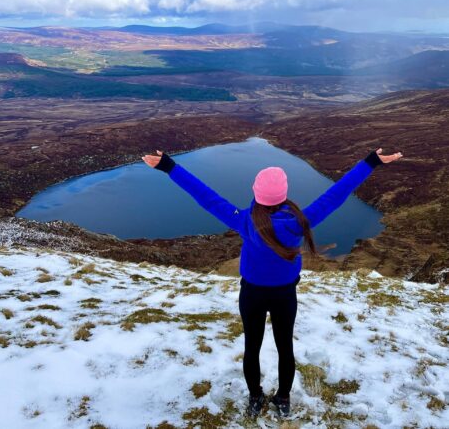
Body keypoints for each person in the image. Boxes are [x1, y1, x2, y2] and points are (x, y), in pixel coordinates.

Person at [142, 146, 403, 418]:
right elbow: (336, 194)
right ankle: (283, 399)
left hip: (252, 294)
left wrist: (169, 166)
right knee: (284, 348)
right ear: (284, 195)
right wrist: (371, 162)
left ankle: (256, 398)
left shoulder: (244, 221)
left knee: (251, 348)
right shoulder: (299, 222)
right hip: (284, 296)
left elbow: (205, 196)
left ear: (256, 193)